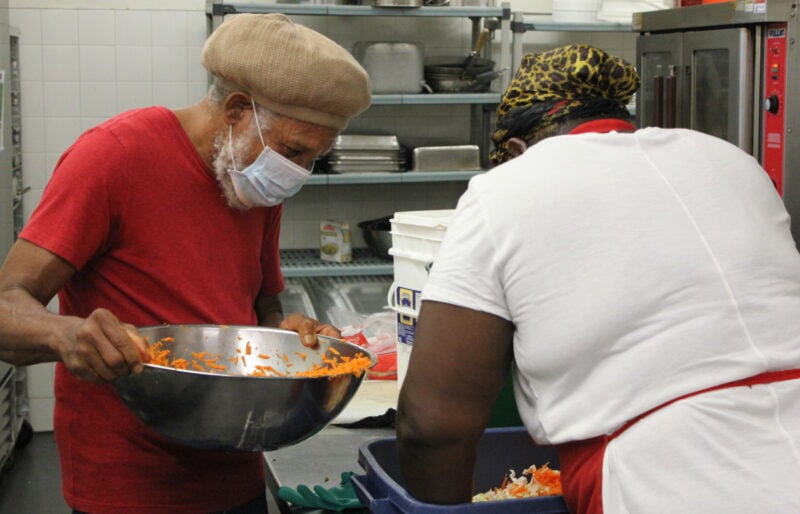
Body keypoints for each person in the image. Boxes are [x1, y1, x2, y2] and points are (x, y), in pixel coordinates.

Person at [396, 44, 800, 513]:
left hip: (672, 480)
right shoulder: (730, 159)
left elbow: (431, 428)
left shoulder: (503, 189)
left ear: (514, 149)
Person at [0, 13, 371, 514]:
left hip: (236, 459)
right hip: (130, 481)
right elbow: (6, 306)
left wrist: (289, 336)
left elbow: (262, 307)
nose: (297, 173)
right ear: (239, 109)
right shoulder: (115, 157)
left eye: (313, 159)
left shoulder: (251, 180)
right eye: (294, 151)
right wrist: (67, 336)